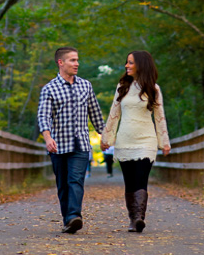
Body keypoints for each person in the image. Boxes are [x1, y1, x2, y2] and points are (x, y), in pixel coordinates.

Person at [37, 46, 106, 234]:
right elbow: (44, 116)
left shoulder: (86, 85)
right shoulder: (49, 89)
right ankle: (68, 220)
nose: (77, 64)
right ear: (61, 63)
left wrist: (106, 136)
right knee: (63, 184)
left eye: (77, 60)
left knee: (76, 180)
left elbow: (95, 114)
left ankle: (74, 216)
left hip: (81, 144)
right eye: (72, 60)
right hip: (58, 144)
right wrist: (47, 137)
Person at [100, 50, 171, 232]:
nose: (127, 66)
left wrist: (164, 142)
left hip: (146, 140)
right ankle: (133, 219)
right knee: (130, 182)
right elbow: (114, 114)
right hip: (125, 141)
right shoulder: (122, 87)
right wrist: (106, 138)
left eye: (131, 63)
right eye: (127, 62)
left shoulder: (154, 89)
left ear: (141, 64)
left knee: (141, 179)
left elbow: (160, 117)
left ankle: (139, 217)